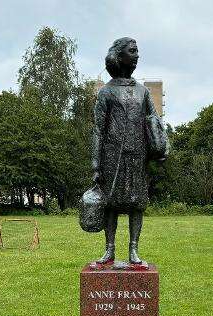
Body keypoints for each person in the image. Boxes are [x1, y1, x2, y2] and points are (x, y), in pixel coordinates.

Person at [91, 37, 168, 264]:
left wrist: (160, 146)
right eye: (132, 51)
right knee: (111, 204)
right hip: (111, 156)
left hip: (138, 155)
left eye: (137, 51)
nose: (136, 55)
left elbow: (154, 121)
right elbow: (98, 130)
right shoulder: (106, 92)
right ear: (119, 55)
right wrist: (95, 164)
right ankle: (110, 249)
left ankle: (134, 249)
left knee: (137, 203)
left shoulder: (143, 92)